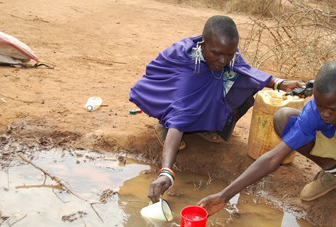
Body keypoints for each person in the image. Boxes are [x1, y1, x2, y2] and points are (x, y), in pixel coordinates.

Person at [198, 61, 336, 216]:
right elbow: (273, 158)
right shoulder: (316, 109)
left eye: (331, 109)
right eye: (319, 105)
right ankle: (335, 174)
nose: (324, 113)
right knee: (284, 118)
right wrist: (224, 196)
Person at [129, 15, 304, 203]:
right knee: (180, 117)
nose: (223, 60)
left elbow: (247, 71)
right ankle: (164, 127)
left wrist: (281, 84)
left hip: (196, 99)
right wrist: (166, 173)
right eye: (217, 53)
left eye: (229, 54)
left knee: (246, 85)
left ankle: (207, 128)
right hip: (172, 100)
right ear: (203, 45)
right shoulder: (188, 68)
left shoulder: (225, 51)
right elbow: (180, 117)